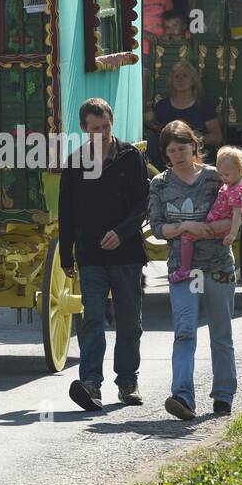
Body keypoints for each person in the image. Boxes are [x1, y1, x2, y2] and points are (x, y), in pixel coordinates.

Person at [58, 98, 151, 411]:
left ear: (112, 124)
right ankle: (91, 384)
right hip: (91, 255)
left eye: (106, 127)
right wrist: (66, 257)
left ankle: (127, 382)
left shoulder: (131, 157)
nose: (102, 133)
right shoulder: (75, 163)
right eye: (95, 129)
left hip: (127, 254)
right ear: (84, 129)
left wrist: (122, 232)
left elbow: (143, 204)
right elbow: (66, 212)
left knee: (129, 322)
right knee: (92, 321)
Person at [148, 120, 237, 420]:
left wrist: (208, 230)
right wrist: (186, 225)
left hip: (217, 265)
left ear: (194, 147)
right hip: (182, 271)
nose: (177, 155)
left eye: (182, 148)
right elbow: (159, 229)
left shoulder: (216, 178)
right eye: (171, 150)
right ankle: (183, 396)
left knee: (220, 333)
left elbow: (241, 208)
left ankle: (223, 395)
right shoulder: (159, 184)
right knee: (184, 331)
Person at [168, 146, 242, 283]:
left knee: (186, 237)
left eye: (227, 175)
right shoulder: (241, 182)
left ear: (240, 170)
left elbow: (237, 215)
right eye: (220, 174)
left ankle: (184, 269)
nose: (223, 178)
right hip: (219, 221)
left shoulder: (236, 191)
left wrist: (232, 234)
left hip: (217, 224)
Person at [147, 54, 222, 169]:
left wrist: (192, 140)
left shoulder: (203, 106)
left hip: (198, 160)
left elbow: (217, 136)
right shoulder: (162, 106)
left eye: (185, 76)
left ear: (193, 80)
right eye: (176, 76)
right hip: (168, 162)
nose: (180, 79)